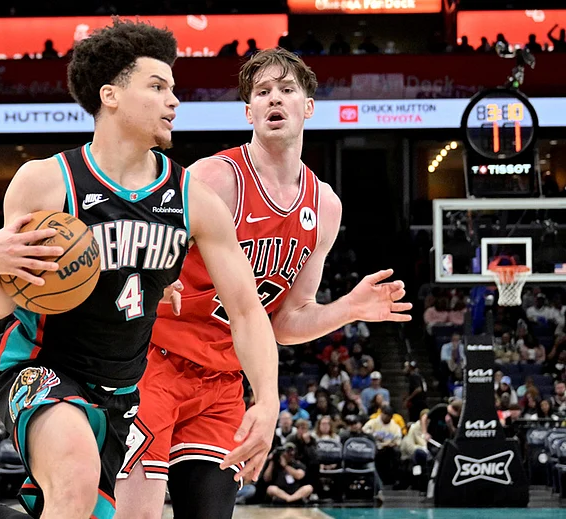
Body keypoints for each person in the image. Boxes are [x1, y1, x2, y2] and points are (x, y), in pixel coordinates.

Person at [0, 20, 277, 519]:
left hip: (122, 390)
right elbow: (0, 303)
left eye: (173, 88)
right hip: (41, 365)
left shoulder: (193, 199)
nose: (174, 101)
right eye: (157, 86)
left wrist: (269, 400)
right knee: (76, 486)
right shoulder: (46, 182)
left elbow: (245, 309)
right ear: (110, 95)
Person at [115, 47, 411, 519]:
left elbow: (286, 320)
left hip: (224, 381)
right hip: (155, 364)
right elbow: (140, 247)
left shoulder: (325, 206)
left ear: (307, 106)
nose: (275, 99)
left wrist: (350, 309)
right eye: (263, 92)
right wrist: (155, 277)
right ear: (248, 110)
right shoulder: (217, 176)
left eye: (287, 90)